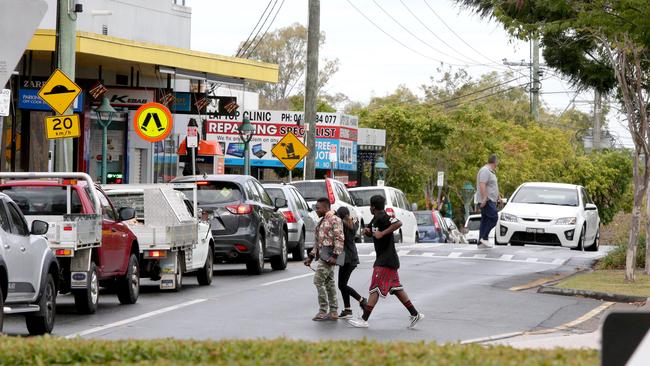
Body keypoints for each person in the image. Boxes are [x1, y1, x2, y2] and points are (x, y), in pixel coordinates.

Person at [348, 195, 424, 329]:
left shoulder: (384, 216)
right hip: (387, 259)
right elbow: (372, 232)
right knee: (396, 288)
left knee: (375, 288)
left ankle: (364, 319)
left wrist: (383, 233)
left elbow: (398, 223)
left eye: (370, 206)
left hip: (385, 260)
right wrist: (368, 232)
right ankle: (415, 314)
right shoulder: (375, 219)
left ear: (373, 207)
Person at [304, 197, 345, 321]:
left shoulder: (334, 220)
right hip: (323, 255)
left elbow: (340, 238)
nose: (316, 210)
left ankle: (323, 310)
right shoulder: (321, 222)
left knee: (318, 281)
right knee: (329, 283)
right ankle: (333, 311)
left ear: (326, 208)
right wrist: (310, 257)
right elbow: (318, 243)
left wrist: (335, 256)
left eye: (318, 208)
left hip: (329, 257)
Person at [335, 206, 367, 319]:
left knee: (342, 285)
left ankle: (362, 300)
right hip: (351, 257)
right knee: (342, 285)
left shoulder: (342, 225)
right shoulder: (352, 224)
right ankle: (347, 309)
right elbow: (355, 221)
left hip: (346, 258)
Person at [476, 154, 500, 249]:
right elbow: (482, 185)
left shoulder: (491, 172)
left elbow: (492, 186)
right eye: (497, 162)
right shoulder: (485, 170)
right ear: (495, 162)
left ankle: (481, 242)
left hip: (491, 199)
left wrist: (498, 197)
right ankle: (484, 238)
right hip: (487, 200)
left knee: (485, 220)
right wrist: (485, 198)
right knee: (494, 217)